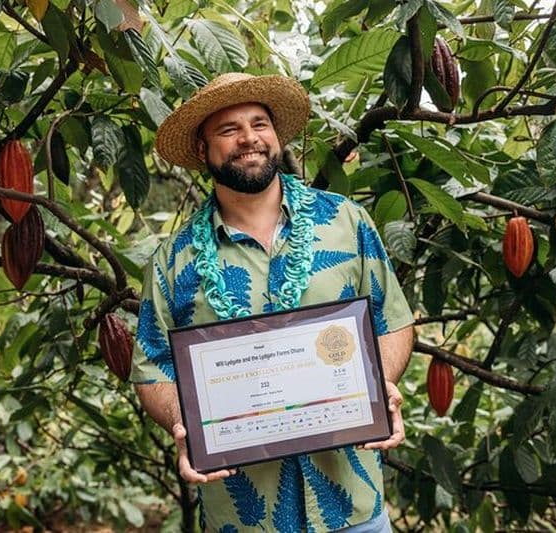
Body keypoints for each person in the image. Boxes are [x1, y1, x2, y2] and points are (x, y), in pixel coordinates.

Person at [131, 72, 414, 532]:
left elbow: (394, 322)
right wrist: (182, 420)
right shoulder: (172, 261)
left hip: (353, 506)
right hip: (242, 517)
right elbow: (151, 366)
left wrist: (377, 383)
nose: (248, 139)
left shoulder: (346, 222)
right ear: (202, 151)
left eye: (259, 123)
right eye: (228, 130)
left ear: (276, 135)